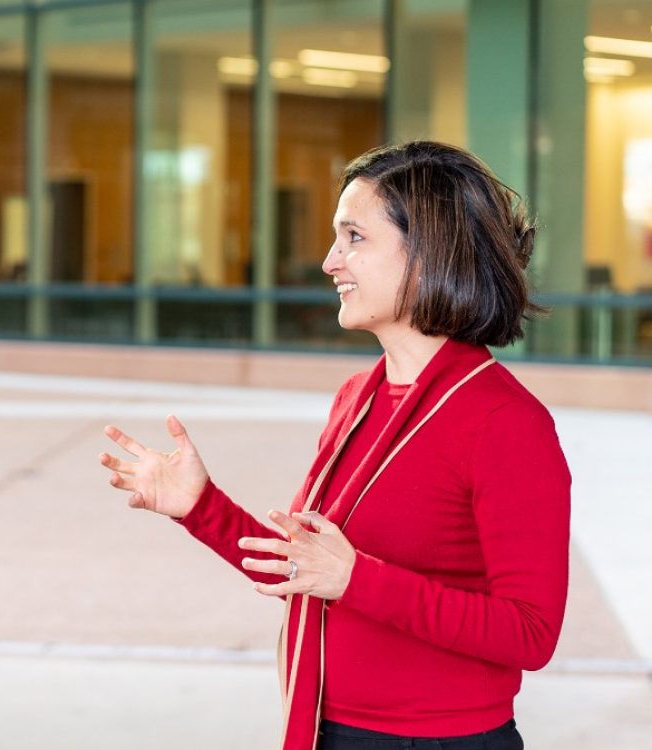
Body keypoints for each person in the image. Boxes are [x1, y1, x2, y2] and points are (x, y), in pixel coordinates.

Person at [100, 141, 570, 750]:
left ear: (429, 253)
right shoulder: (359, 395)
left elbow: (530, 633)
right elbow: (312, 567)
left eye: (354, 237)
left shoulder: (506, 422)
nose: (329, 262)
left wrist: (358, 580)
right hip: (331, 726)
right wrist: (200, 506)